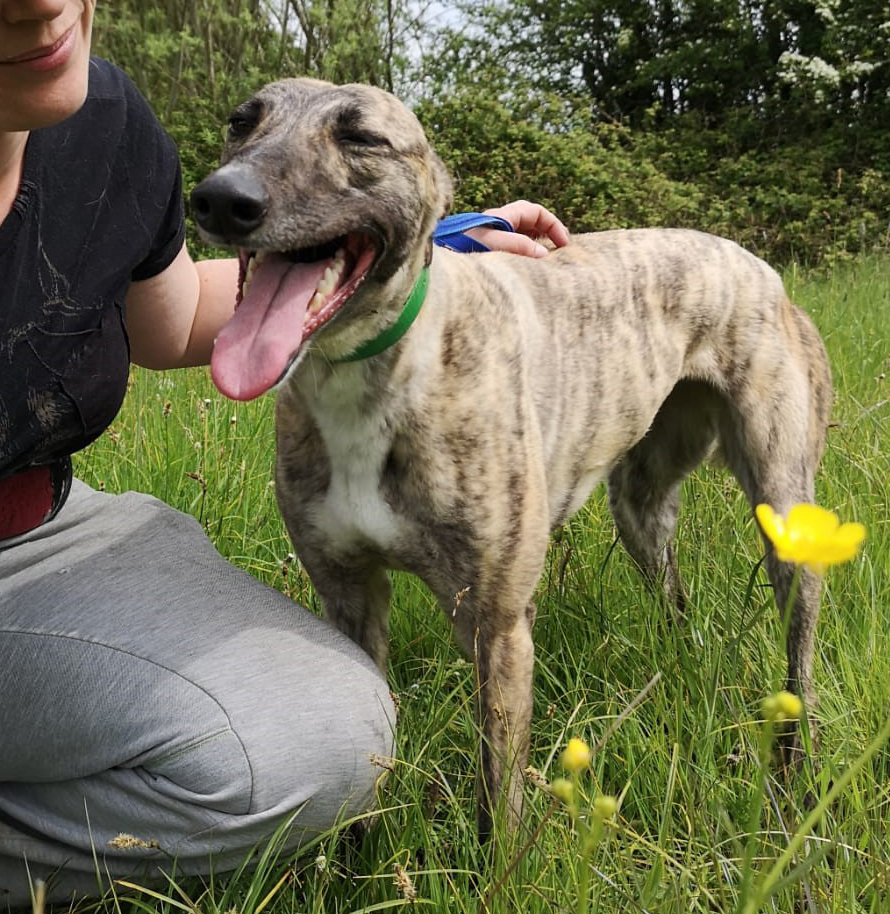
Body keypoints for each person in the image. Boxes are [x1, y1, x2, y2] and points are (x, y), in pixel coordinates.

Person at [0, 1, 570, 907]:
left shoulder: (105, 121)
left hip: (43, 526)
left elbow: (179, 317)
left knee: (328, 737)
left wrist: (418, 244)